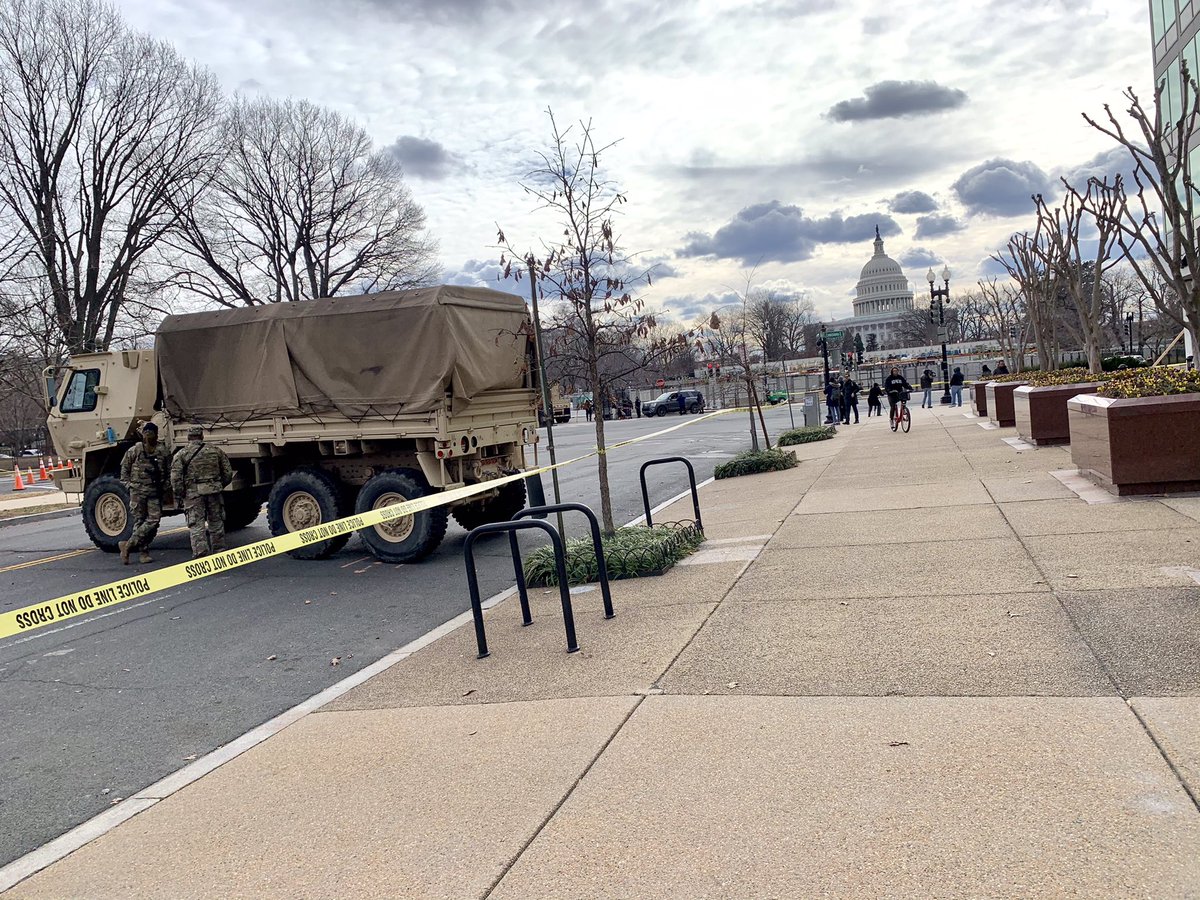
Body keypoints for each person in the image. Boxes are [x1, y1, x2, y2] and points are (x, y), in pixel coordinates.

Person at [171, 424, 234, 560]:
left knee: (196, 524)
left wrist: (181, 493)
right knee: (216, 521)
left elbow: (175, 478)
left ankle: (201, 554)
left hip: (193, 493)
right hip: (213, 491)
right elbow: (228, 473)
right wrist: (219, 485)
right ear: (202, 436)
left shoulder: (181, 454)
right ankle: (220, 550)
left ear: (188, 437)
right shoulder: (215, 451)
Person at [118, 422, 172, 565]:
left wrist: (165, 487)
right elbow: (124, 471)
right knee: (140, 521)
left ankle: (128, 545)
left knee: (154, 520)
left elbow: (168, 471)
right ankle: (143, 551)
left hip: (155, 492)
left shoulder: (162, 451)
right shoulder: (135, 450)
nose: (148, 436)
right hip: (138, 492)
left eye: (151, 433)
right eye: (146, 433)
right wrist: (130, 486)